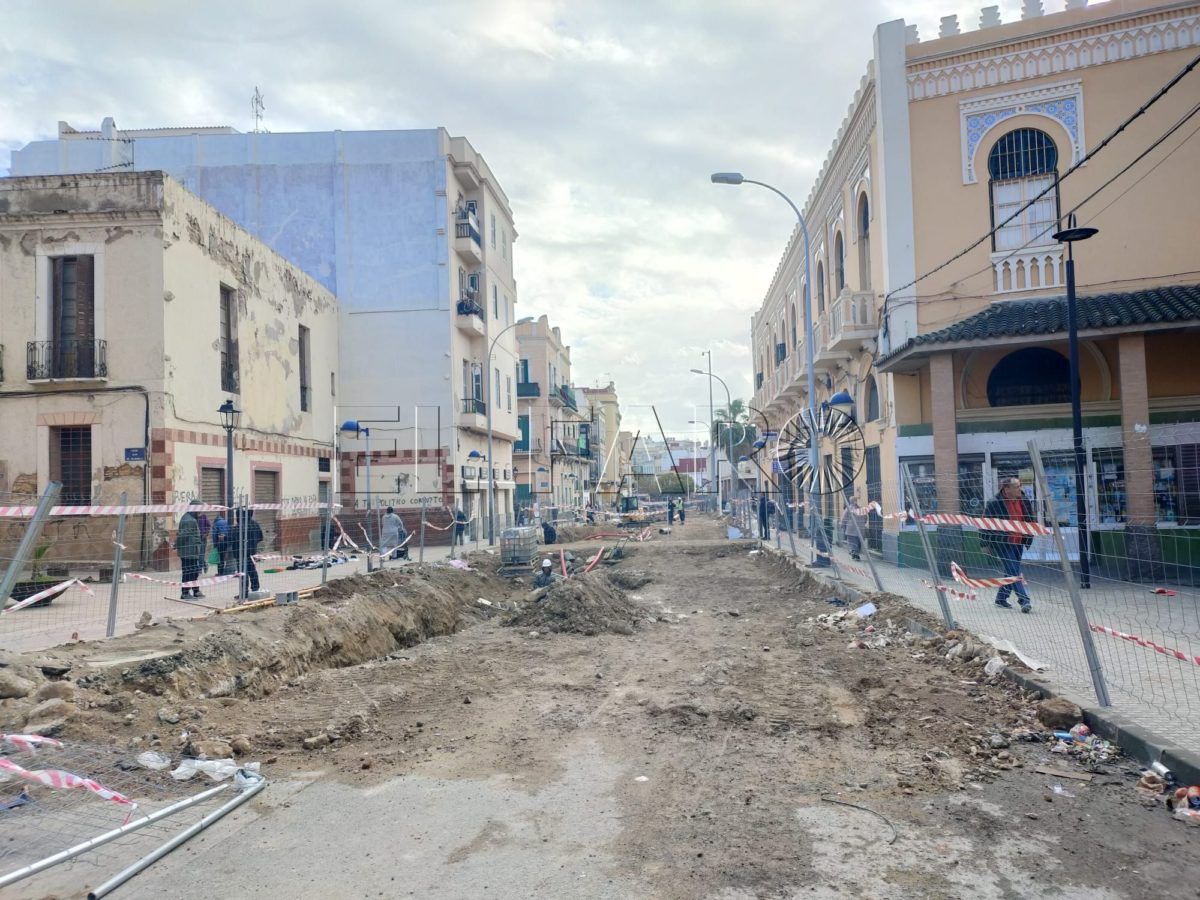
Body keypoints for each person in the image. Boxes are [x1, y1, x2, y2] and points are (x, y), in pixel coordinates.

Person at [982, 476, 1035, 612]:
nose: (1020, 489)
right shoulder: (994, 503)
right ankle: (1024, 600)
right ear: (1007, 489)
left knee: (1010, 571)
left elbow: (1029, 518)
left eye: (1020, 485)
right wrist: (984, 543)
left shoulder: (1024, 500)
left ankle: (1001, 598)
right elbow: (984, 524)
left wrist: (1030, 533)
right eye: (1017, 486)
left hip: (1019, 541)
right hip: (1003, 542)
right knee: (1013, 571)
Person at [175, 500, 205, 599]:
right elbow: (183, 536)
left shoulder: (191, 518)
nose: (201, 512)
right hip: (188, 552)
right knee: (188, 572)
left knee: (194, 571)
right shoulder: (189, 520)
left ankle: (196, 590)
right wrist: (176, 545)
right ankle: (185, 592)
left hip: (192, 551)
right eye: (200, 510)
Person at [232, 509, 265, 595]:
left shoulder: (238, 527)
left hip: (240, 554)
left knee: (243, 573)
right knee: (252, 571)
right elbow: (260, 537)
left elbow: (232, 540)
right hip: (252, 552)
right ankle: (255, 589)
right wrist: (253, 544)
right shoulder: (255, 524)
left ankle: (244, 593)